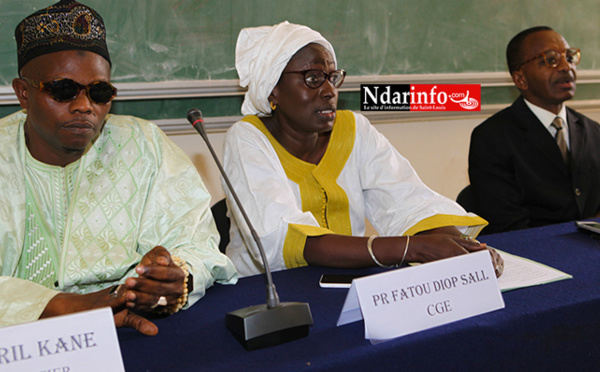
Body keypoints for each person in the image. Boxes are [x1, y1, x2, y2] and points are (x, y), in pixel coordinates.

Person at [0, 0, 237, 335]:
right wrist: (66, 306)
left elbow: (197, 244)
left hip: (130, 329)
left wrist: (173, 279)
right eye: (63, 90)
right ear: (23, 94)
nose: (84, 106)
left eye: (99, 92)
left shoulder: (145, 145)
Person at [223, 21, 503, 278]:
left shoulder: (354, 130)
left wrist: (464, 247)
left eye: (332, 77)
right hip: (264, 297)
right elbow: (280, 238)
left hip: (346, 285)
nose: (330, 91)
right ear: (273, 90)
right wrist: (412, 249)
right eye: (312, 78)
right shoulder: (247, 139)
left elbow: (409, 202)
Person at [468, 26, 600, 234]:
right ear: (520, 79)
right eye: (550, 59)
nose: (566, 67)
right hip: (535, 254)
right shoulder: (492, 138)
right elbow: (508, 227)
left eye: (569, 57)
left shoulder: (593, 131)